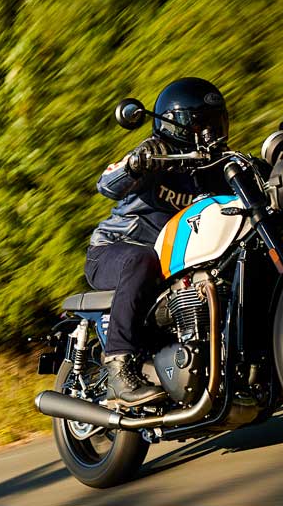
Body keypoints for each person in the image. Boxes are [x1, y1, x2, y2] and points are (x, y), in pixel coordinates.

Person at [86, 77, 231, 406]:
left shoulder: (215, 169)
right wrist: (136, 164)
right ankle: (119, 367)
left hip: (170, 262)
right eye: (200, 124)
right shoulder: (156, 155)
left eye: (216, 123)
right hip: (112, 250)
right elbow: (106, 184)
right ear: (176, 124)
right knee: (142, 260)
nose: (210, 133)